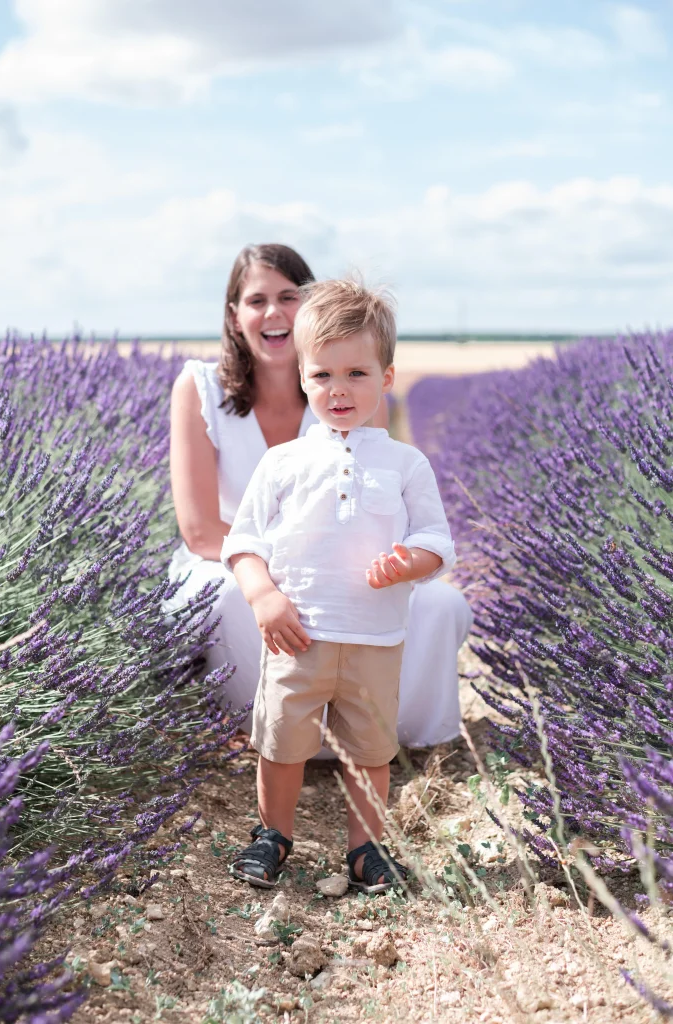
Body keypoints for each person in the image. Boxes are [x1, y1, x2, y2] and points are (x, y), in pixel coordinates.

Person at [167, 243, 472, 756]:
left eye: (289, 297)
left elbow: (379, 504)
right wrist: (278, 578)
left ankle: (390, 734)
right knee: (223, 601)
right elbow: (199, 533)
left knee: (441, 604)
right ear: (234, 315)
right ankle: (265, 730)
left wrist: (363, 568)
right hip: (231, 560)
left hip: (336, 553)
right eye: (256, 300)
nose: (273, 313)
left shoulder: (354, 387)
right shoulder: (200, 387)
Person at [222, 278, 457, 891]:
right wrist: (263, 595)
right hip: (297, 634)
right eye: (323, 375)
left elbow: (438, 541)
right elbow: (242, 543)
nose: (339, 389)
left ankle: (365, 849)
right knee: (281, 744)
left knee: (371, 751)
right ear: (301, 377)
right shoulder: (283, 462)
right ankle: (272, 834)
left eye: (357, 373)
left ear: (386, 378)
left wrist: (412, 561)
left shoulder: (406, 463)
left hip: (375, 637)